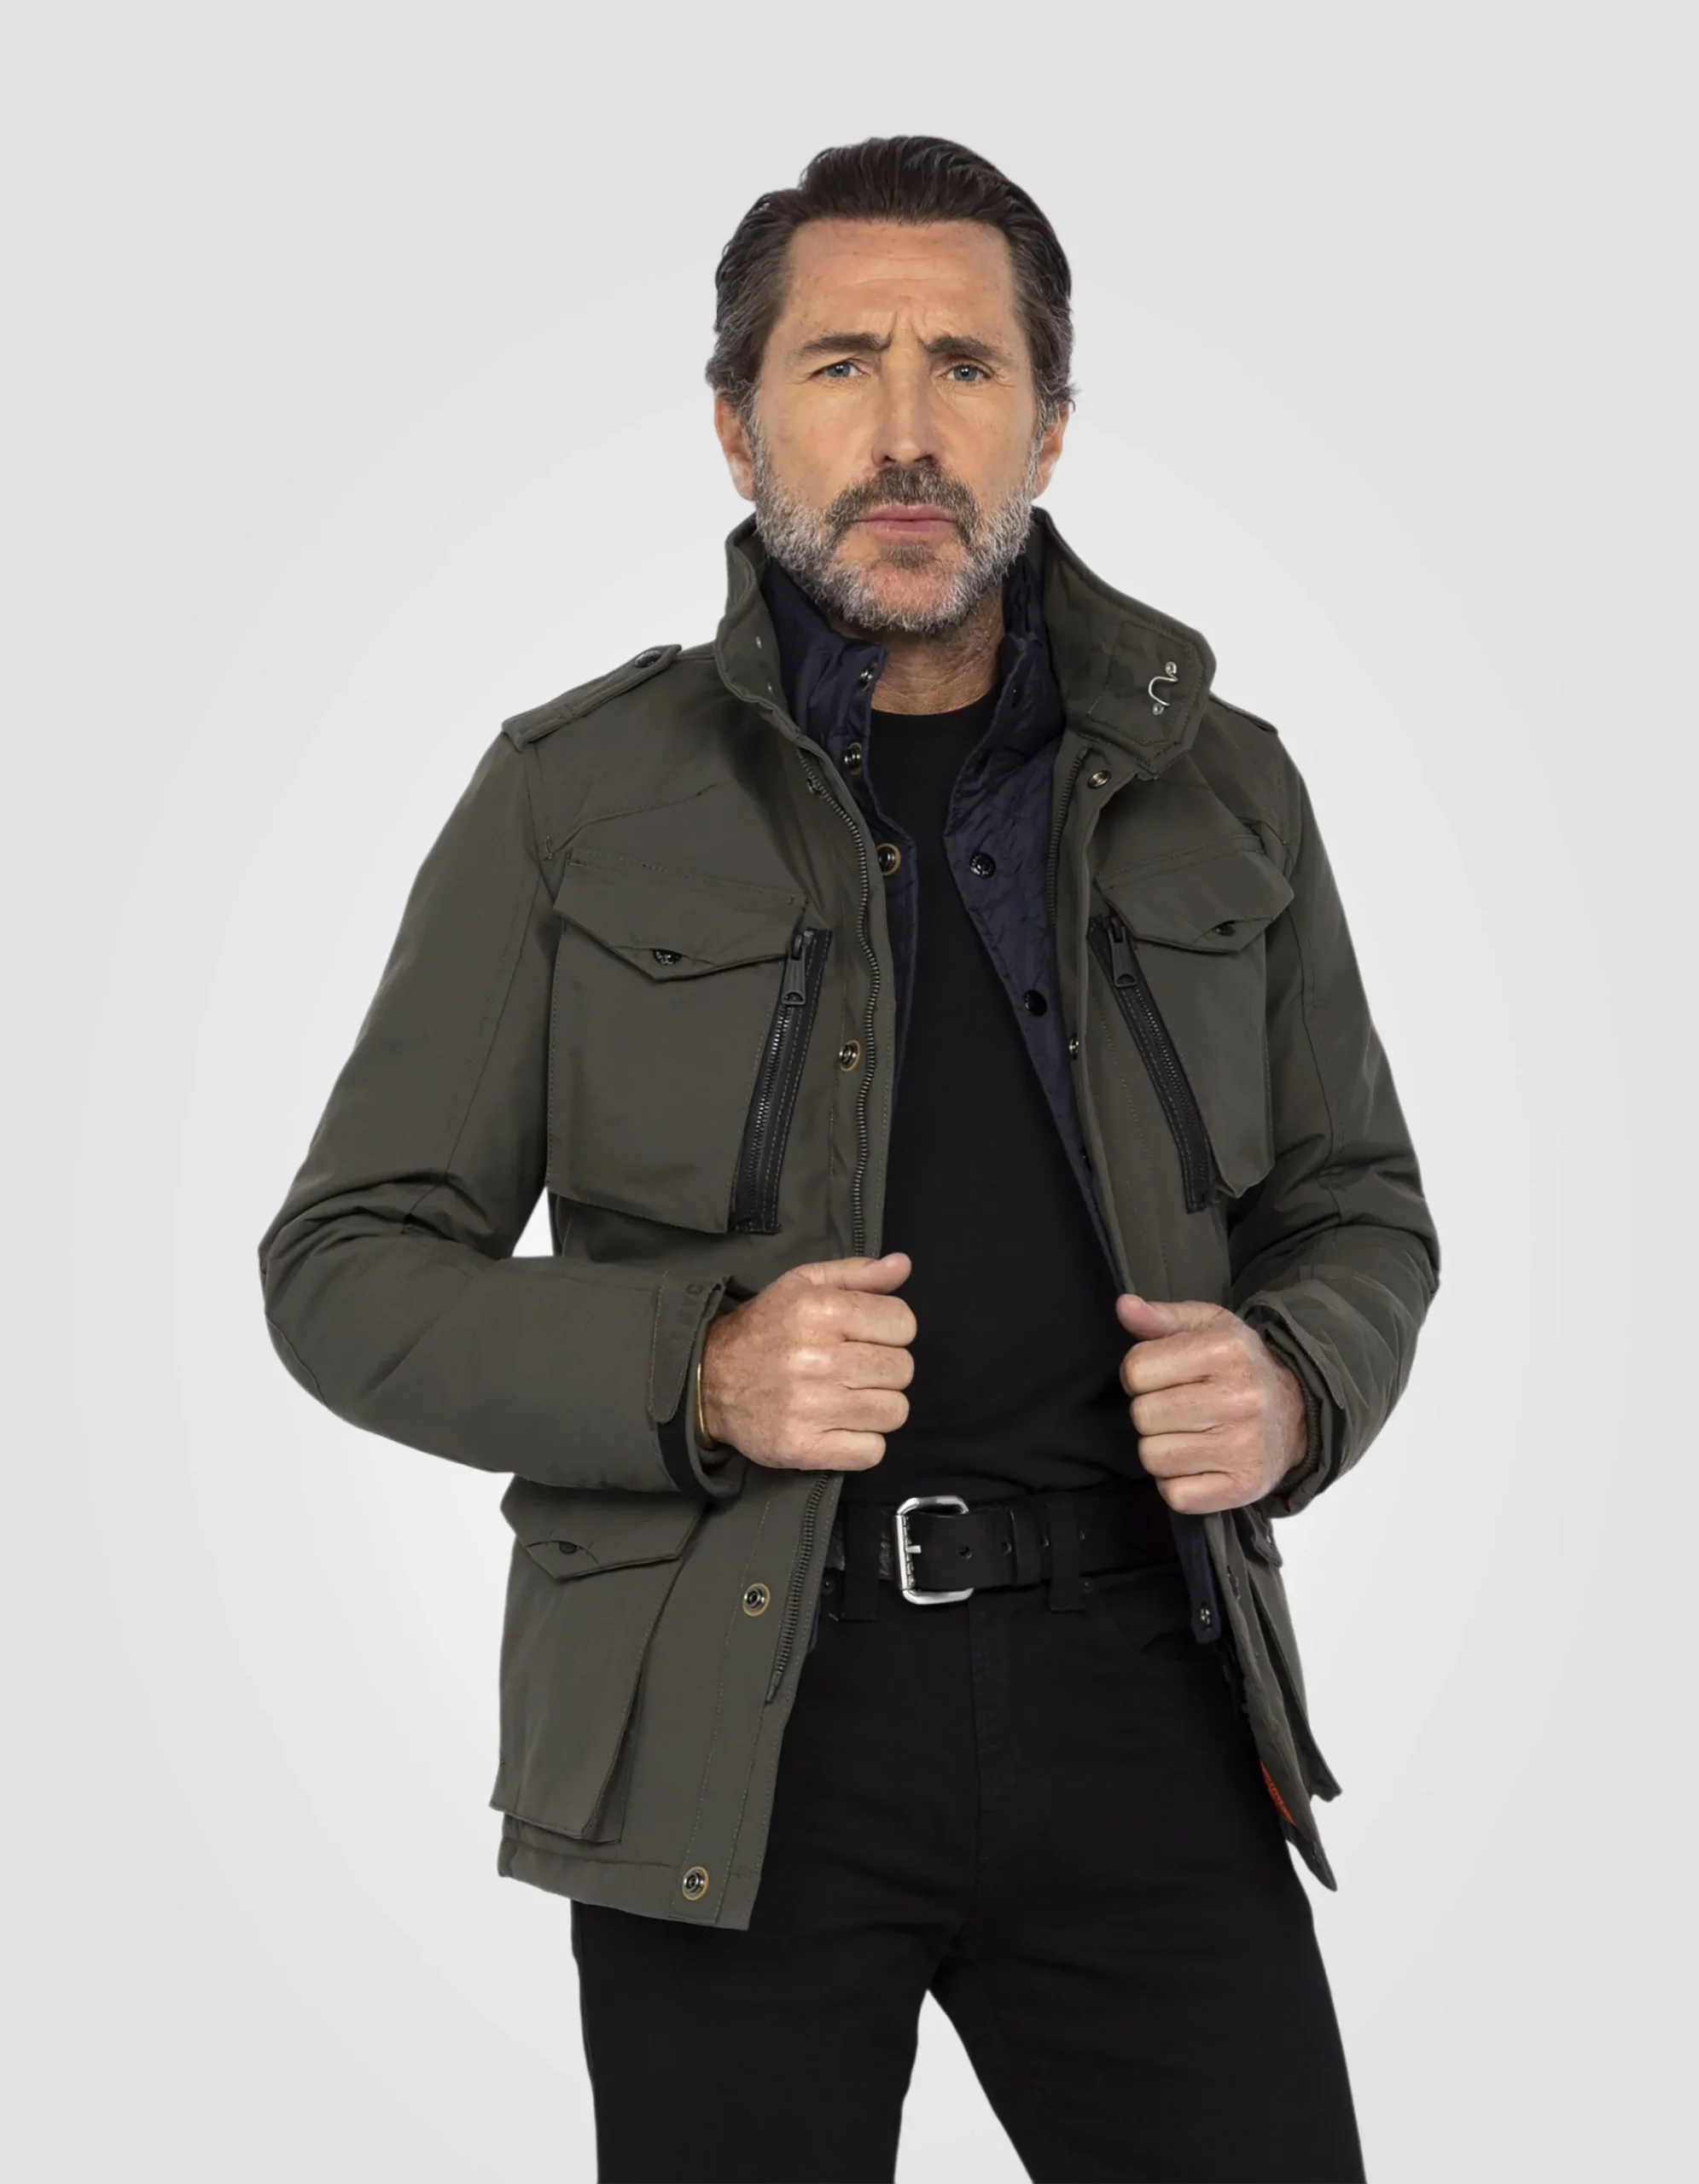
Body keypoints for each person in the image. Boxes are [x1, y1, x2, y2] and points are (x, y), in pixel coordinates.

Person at [259, 134, 1440, 2184]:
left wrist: (1295, 1378)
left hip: (1145, 1693)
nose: (906, 431)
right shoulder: (570, 797)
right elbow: (345, 1264)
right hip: (733, 1720)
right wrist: (697, 1366)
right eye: (839, 364)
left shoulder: (1223, 787)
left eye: (963, 366)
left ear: (1046, 424)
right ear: (738, 427)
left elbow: (1357, 1208)